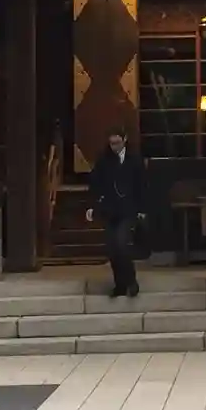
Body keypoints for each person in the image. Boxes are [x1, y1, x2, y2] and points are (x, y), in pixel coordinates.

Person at [86, 126, 149, 299]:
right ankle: (119, 284)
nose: (115, 146)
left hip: (128, 210)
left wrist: (142, 209)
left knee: (122, 244)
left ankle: (131, 281)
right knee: (112, 249)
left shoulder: (134, 159)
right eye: (112, 143)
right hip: (110, 209)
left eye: (118, 143)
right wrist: (92, 206)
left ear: (125, 139)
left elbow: (142, 185)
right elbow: (95, 184)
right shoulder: (104, 160)